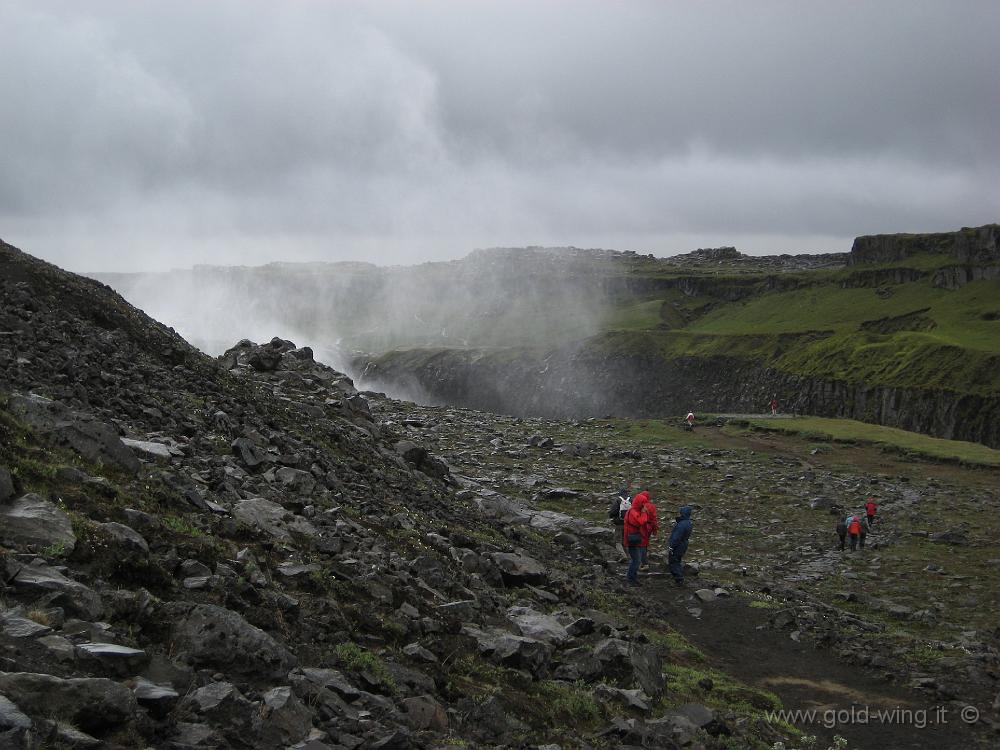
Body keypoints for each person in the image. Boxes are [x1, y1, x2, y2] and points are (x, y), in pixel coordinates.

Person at [622, 491, 654, 585]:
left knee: (637, 559)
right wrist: (644, 513)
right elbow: (641, 522)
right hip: (632, 539)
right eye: (643, 503)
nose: (644, 505)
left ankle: (633, 578)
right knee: (636, 560)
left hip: (635, 538)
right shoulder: (633, 512)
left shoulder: (635, 511)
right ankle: (631, 578)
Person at [667, 505, 693, 585]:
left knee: (673, 561)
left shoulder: (681, 524)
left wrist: (671, 546)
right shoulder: (688, 522)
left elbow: (676, 537)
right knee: (677, 560)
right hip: (683, 544)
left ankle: (679, 578)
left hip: (678, 545)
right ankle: (679, 577)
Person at [608, 486, 631, 559]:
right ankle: (629, 556)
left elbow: (613, 512)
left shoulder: (618, 500)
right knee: (625, 541)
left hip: (619, 523)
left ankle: (623, 556)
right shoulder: (631, 500)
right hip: (628, 524)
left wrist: (612, 516)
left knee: (617, 541)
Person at [640, 493, 659, 570]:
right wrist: (655, 529)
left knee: (642, 545)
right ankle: (643, 560)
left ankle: (644, 563)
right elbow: (654, 518)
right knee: (645, 543)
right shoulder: (652, 506)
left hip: (643, 526)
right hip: (650, 527)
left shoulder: (643, 506)